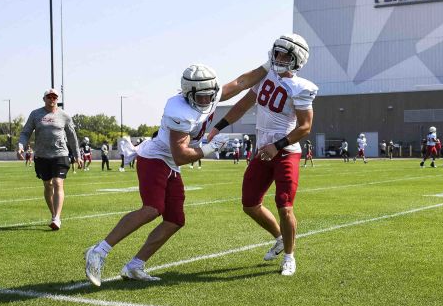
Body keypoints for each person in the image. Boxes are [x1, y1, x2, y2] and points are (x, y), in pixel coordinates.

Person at [84, 63, 260, 286]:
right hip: (155, 158)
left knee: (175, 220)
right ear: (188, 93)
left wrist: (269, 66)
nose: (206, 100)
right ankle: (99, 251)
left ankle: (135, 265)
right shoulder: (178, 111)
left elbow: (242, 82)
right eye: (201, 96)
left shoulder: (209, 94)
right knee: (151, 209)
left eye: (210, 96)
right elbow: (181, 155)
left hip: (169, 165)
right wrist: (210, 148)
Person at [207, 33, 317, 277]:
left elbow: (305, 127)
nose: (278, 58)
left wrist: (277, 146)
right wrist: (217, 127)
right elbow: (242, 105)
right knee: (249, 203)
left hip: (285, 150)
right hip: (263, 150)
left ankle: (289, 256)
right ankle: (279, 237)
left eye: (284, 55)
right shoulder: (265, 77)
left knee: (284, 205)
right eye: (276, 52)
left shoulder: (301, 87)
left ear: (297, 59)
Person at [18, 88, 79, 230]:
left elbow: (72, 137)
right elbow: (26, 132)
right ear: (44, 99)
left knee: (58, 182)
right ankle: (53, 214)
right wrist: (21, 146)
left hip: (60, 154)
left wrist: (77, 155)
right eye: (49, 97)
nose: (52, 99)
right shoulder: (35, 114)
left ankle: (57, 217)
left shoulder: (64, 116)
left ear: (57, 99)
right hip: (42, 156)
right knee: (47, 185)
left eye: (54, 97)